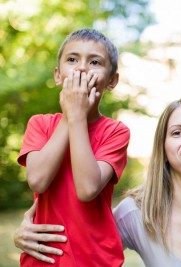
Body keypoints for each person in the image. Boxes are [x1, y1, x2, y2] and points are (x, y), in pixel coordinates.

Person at [14, 96, 181, 267]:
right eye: (178, 132)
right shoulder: (136, 213)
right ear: (164, 149)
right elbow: (85, 243)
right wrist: (26, 235)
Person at [16, 28, 130, 266]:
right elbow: (37, 180)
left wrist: (76, 115)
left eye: (95, 62)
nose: (81, 68)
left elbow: (87, 189)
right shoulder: (40, 124)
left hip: (96, 260)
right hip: (44, 258)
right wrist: (69, 117)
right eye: (72, 59)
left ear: (112, 81)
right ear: (58, 75)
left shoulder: (115, 132)